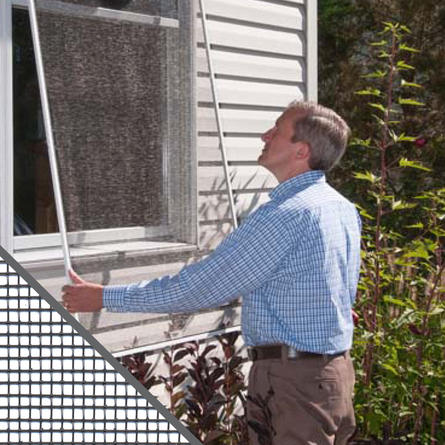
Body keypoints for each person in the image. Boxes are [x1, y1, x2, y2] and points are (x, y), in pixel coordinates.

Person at [62, 100, 361, 445]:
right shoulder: (339, 207)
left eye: (277, 130)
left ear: (301, 150)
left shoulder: (286, 215)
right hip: (332, 375)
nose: (266, 135)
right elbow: (334, 285)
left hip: (295, 383)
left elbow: (201, 288)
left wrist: (103, 297)